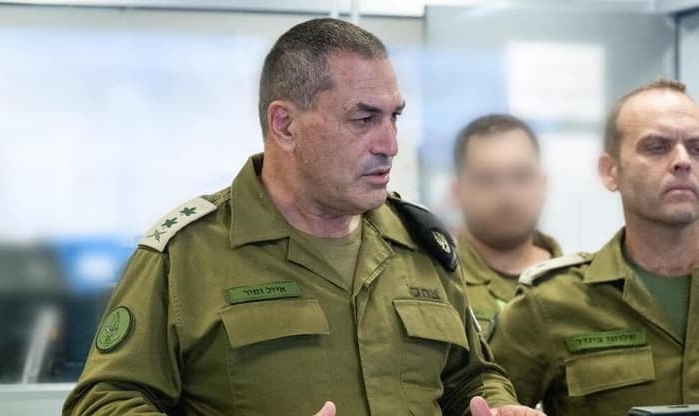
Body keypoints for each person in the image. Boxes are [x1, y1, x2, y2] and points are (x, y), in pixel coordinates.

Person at [62, 18, 544, 416]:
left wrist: (497, 406)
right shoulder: (187, 253)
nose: (389, 144)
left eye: (394, 116)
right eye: (363, 118)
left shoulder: (421, 244)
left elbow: (470, 377)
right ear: (285, 124)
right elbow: (104, 402)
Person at [488, 80, 699, 416]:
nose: (683, 161)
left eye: (697, 147)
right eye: (657, 147)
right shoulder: (552, 302)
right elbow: (482, 396)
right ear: (610, 171)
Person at [451, 114, 562, 332]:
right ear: (457, 192)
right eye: (487, 180)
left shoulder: (583, 288)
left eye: (521, 177)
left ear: (543, 184)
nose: (507, 196)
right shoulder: (438, 283)